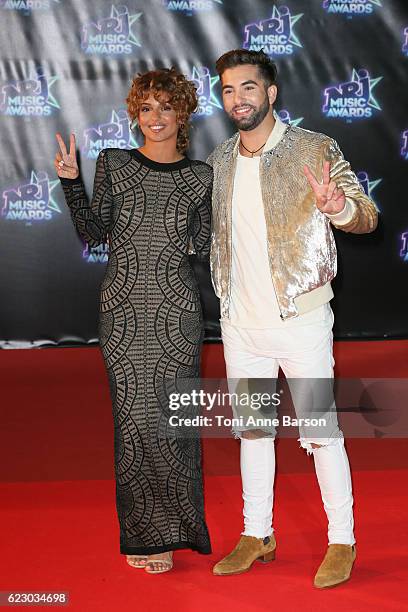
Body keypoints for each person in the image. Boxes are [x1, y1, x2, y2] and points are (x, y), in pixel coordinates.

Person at [206, 49, 378, 588]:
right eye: (230, 90)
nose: (239, 99)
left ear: (271, 92)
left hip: (300, 320)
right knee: (252, 433)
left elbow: (366, 216)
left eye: (249, 88)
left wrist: (337, 208)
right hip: (240, 323)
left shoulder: (314, 148)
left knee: (322, 432)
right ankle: (257, 533)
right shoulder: (217, 160)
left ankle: (342, 540)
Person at [54, 68, 212, 574]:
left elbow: (209, 249)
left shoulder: (201, 177)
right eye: (146, 108)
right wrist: (70, 182)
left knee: (173, 424)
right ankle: (143, 533)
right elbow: (94, 232)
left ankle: (169, 535)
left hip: (178, 313)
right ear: (135, 115)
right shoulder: (116, 164)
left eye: (166, 107)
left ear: (183, 113)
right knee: (132, 423)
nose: (156, 118)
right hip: (122, 311)